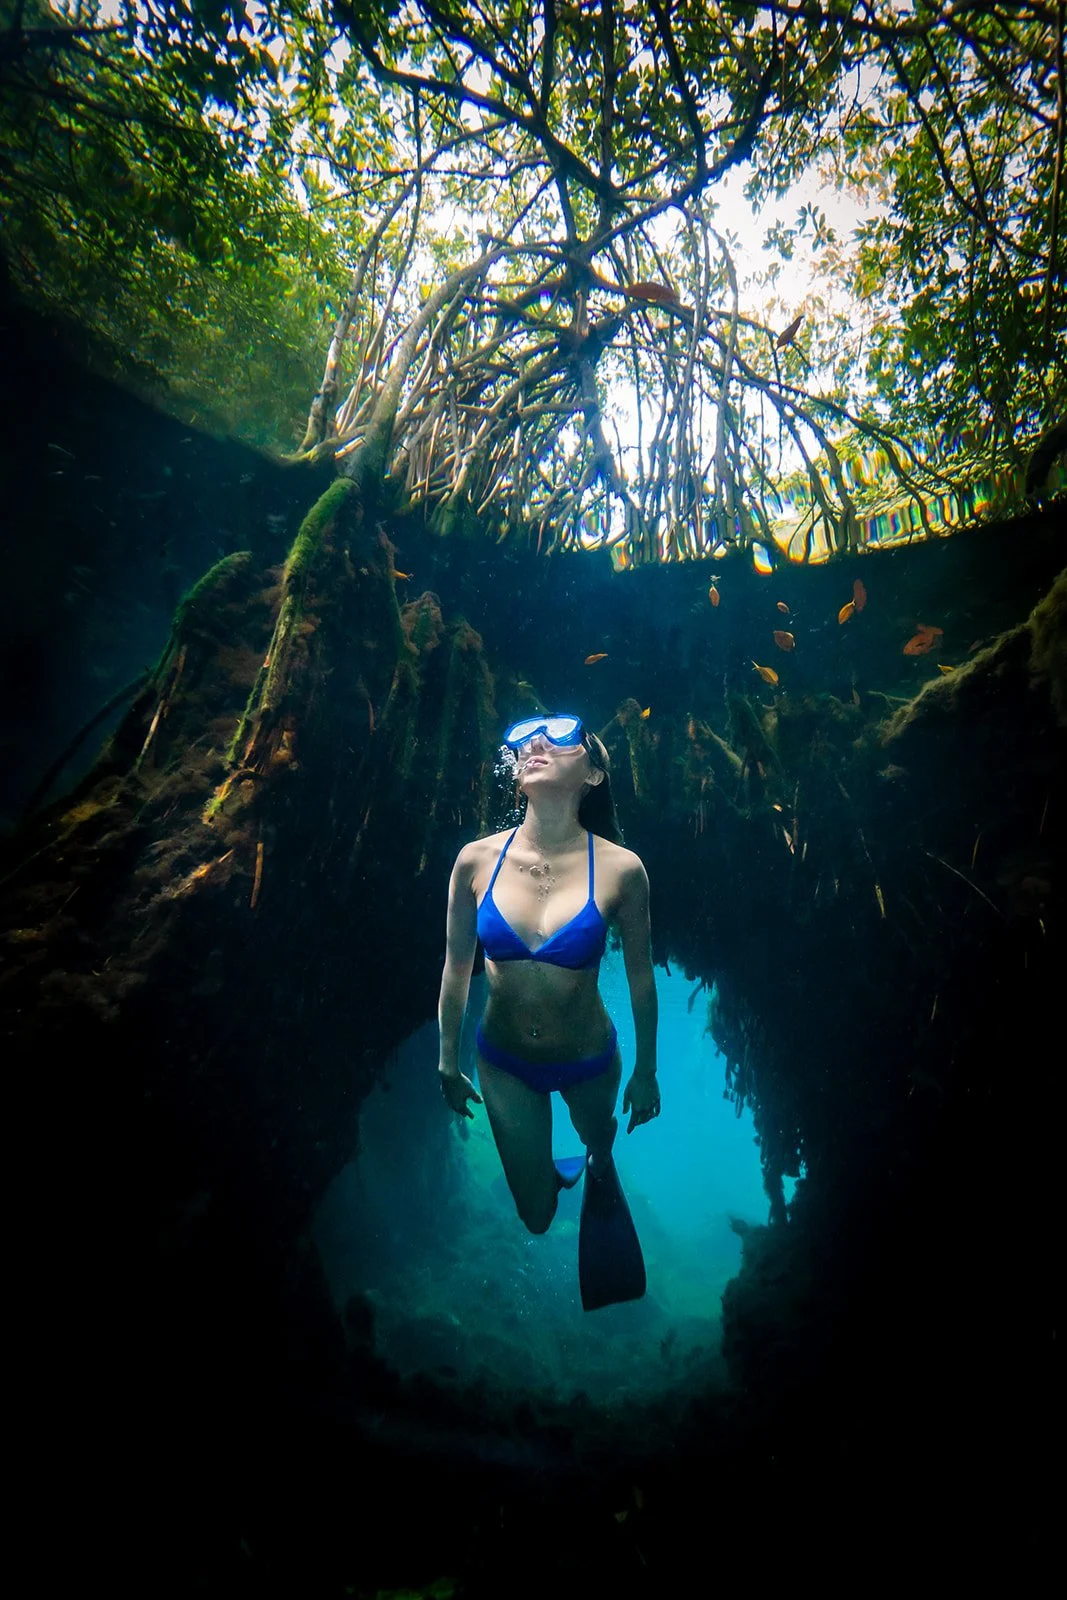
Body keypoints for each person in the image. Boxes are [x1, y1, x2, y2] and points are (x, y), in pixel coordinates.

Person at [437, 714, 660, 1309]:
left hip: (589, 1059)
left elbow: (640, 977)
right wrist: (446, 1062)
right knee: (535, 1217)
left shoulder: (622, 869)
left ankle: (597, 1158)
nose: (536, 744)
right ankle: (561, 1174)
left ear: (593, 772)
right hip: (504, 1063)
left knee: (599, 1137)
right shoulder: (475, 861)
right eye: (527, 739)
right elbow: (457, 965)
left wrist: (646, 1070)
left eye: (561, 737)